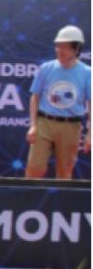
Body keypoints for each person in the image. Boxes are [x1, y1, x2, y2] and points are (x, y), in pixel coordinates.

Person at [25, 25, 91, 179]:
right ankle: (29, 202)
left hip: (71, 126)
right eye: (58, 46)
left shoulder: (87, 73)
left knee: (64, 174)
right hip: (44, 123)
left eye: (66, 48)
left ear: (76, 49)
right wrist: (33, 125)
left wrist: (90, 133)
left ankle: (59, 204)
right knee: (34, 169)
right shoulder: (46, 68)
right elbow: (35, 97)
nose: (60, 51)